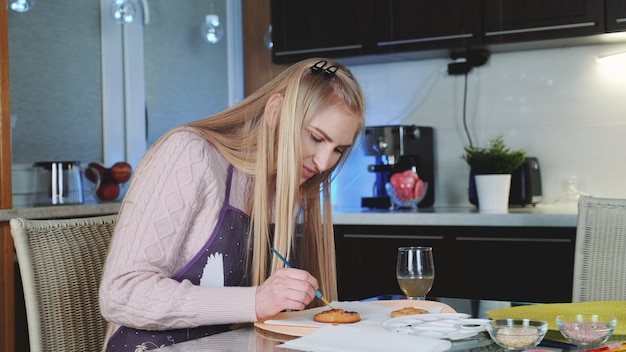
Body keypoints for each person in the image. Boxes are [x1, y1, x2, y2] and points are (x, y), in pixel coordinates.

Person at [99, 57, 366, 351]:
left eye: (338, 149)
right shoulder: (190, 155)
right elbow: (121, 293)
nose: (324, 162)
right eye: (316, 137)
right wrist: (255, 301)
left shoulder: (282, 189)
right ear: (276, 112)